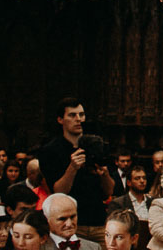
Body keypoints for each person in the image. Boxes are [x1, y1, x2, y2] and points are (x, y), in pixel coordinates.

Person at [38, 101, 112, 245]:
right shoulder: (50, 151)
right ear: (60, 120)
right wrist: (72, 167)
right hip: (72, 224)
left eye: (81, 115)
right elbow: (58, 192)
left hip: (99, 221)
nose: (78, 119)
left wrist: (104, 173)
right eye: (72, 115)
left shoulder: (96, 144)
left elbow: (108, 191)